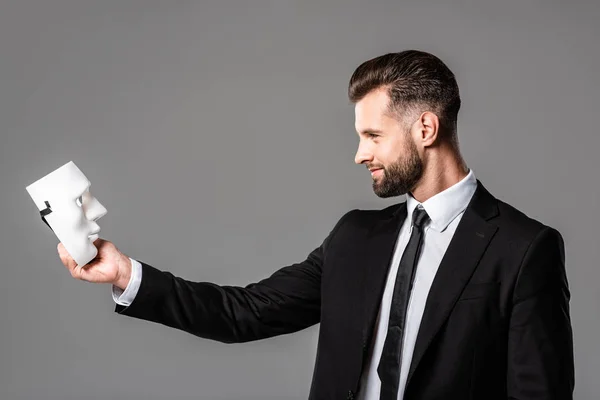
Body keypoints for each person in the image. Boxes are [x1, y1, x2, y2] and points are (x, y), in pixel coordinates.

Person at [57, 50, 575, 400]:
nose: (358, 154)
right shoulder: (355, 238)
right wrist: (126, 274)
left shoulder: (524, 249)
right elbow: (246, 312)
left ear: (425, 127)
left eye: (373, 136)